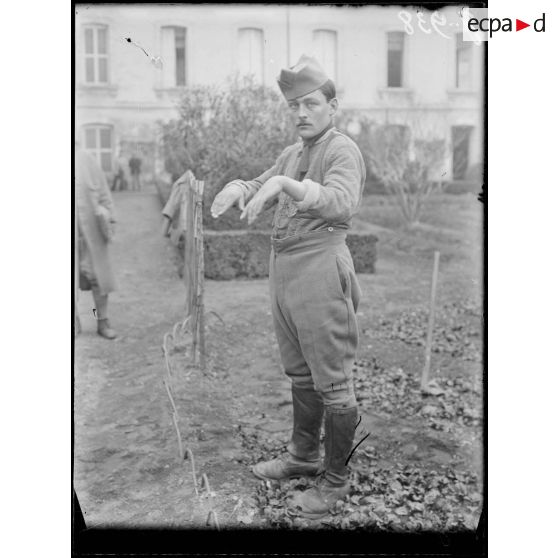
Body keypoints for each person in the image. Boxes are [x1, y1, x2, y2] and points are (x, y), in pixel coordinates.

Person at [210, 55, 366, 519]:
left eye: (311, 103)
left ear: (332, 105)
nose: (301, 112)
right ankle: (303, 457)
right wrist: (239, 186)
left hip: (320, 267)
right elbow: (262, 181)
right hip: (285, 270)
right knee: (300, 374)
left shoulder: (342, 150)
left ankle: (336, 482)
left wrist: (286, 185)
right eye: (294, 105)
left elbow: (341, 203)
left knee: (333, 382)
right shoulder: (293, 153)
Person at [75, 147, 118, 340]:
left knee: (97, 278)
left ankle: (101, 320)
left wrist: (109, 218)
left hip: (89, 232)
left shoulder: (86, 159)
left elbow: (103, 194)